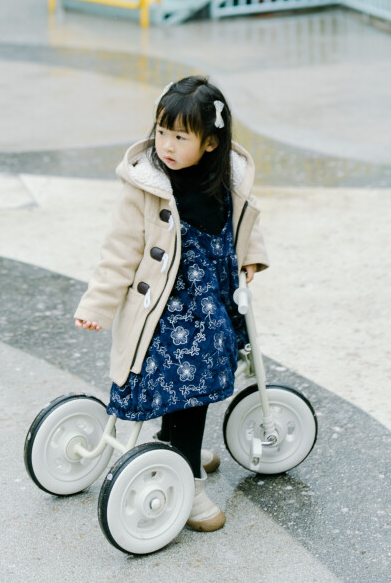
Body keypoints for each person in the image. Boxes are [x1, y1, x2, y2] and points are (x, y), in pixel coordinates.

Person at [74, 75, 267, 532]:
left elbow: (247, 216)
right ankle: (190, 484)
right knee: (189, 375)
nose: (166, 144)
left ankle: (177, 440)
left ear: (211, 144)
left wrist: (252, 256)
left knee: (205, 371)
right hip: (164, 312)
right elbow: (119, 251)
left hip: (213, 304)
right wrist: (97, 306)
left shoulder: (228, 178)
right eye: (162, 131)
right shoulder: (147, 185)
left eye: (180, 136)